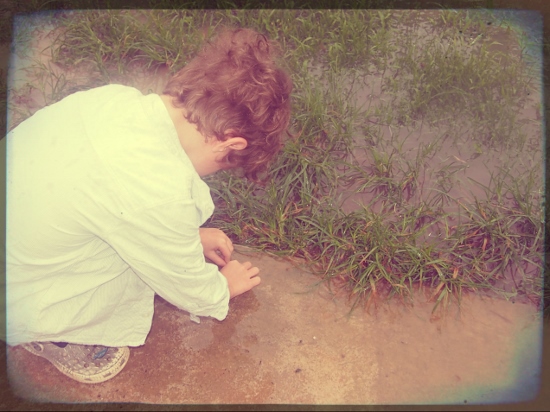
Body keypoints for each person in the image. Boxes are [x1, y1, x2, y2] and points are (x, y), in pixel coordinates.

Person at [6, 26, 293, 384]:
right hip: (20, 287)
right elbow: (183, 279)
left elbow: (113, 198)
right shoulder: (159, 192)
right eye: (225, 166)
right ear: (230, 146)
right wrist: (221, 289)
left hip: (20, 228)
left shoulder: (115, 99)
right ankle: (52, 333)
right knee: (117, 278)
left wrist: (189, 236)